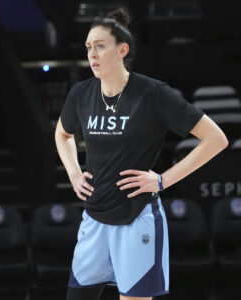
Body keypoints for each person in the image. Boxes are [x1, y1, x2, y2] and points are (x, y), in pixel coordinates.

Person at [55, 8, 228, 300]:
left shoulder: (153, 94)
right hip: (94, 219)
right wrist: (73, 171)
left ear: (122, 50)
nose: (92, 54)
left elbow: (216, 139)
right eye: (88, 47)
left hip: (136, 219)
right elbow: (62, 133)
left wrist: (162, 180)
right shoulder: (81, 94)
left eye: (100, 46)